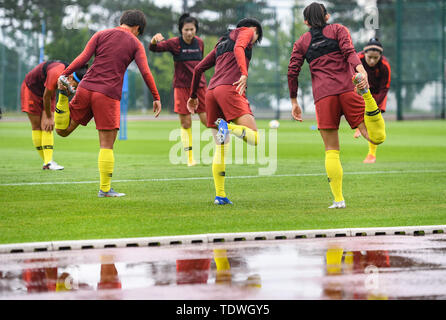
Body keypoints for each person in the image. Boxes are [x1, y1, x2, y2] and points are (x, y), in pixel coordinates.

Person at [287, 2, 386, 209]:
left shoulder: (302, 42)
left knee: (331, 150)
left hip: (324, 98)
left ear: (305, 22)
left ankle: (339, 200)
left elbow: (292, 72)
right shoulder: (339, 29)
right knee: (375, 137)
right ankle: (367, 96)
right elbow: (350, 52)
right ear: (327, 17)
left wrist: (294, 101)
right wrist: (361, 70)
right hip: (349, 90)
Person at [56, 9, 162, 198]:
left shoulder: (101, 34)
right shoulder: (135, 43)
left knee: (63, 131)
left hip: (86, 87)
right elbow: (145, 72)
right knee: (106, 145)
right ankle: (105, 189)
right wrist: (156, 96)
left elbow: (83, 58)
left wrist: (64, 74)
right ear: (138, 28)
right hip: (107, 94)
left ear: (122, 21)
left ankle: (63, 97)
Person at [187, 18, 263, 205]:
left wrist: (193, 95)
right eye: (257, 35)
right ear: (252, 29)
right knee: (254, 138)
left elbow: (198, 68)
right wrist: (244, 73)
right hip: (230, 89)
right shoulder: (246, 32)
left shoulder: (221, 43)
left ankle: (220, 195)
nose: (254, 39)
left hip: (211, 93)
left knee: (221, 147)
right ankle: (228, 127)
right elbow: (239, 48)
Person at [149, 13, 207, 167]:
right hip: (181, 87)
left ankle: (222, 149)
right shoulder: (175, 43)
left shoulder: (200, 43)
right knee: (186, 123)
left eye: (192, 29)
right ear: (181, 30)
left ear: (196, 30)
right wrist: (153, 40)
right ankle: (190, 159)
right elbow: (154, 49)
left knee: (207, 120)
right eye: (186, 29)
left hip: (200, 87)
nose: (189, 32)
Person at [21, 60, 87, 170]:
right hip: (31, 89)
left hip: (48, 91)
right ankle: (47, 162)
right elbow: (46, 96)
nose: (74, 88)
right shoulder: (57, 72)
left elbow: (50, 94)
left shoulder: (67, 76)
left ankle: (48, 162)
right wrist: (48, 116)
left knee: (48, 126)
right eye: (75, 85)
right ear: (70, 78)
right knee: (37, 126)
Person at [354, 38, 391, 164]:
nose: (372, 61)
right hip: (358, 91)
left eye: (376, 58)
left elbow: (384, 88)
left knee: (373, 123)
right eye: (370, 57)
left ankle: (371, 155)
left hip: (377, 95)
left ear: (381, 55)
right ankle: (360, 125)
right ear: (364, 54)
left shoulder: (385, 65)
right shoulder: (357, 59)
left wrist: (374, 104)